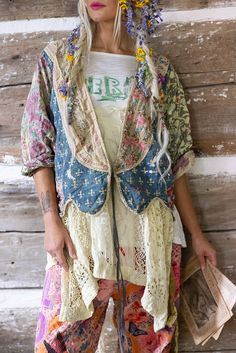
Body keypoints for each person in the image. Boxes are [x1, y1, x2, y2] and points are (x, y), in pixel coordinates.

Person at [20, 0, 217, 352]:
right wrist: (51, 221)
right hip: (80, 238)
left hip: (149, 239)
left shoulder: (158, 71)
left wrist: (197, 235)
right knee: (60, 343)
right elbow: (38, 146)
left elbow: (175, 163)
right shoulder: (58, 62)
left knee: (151, 345)